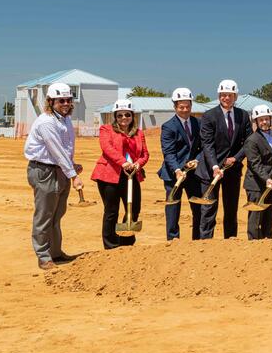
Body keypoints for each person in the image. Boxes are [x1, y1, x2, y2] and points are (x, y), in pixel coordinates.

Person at [23, 82, 83, 269]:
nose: (65, 103)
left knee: (57, 215)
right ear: (51, 101)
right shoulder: (46, 121)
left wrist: (71, 166)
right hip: (44, 172)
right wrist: (73, 175)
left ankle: (55, 253)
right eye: (61, 100)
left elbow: (65, 149)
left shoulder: (64, 119)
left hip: (59, 170)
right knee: (44, 215)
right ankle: (43, 256)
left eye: (68, 100)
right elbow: (56, 150)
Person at [91, 99, 150, 249]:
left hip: (132, 174)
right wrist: (123, 162)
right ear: (115, 116)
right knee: (111, 211)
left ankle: (126, 242)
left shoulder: (139, 133)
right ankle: (111, 245)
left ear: (132, 116)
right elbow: (107, 148)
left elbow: (145, 154)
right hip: (109, 175)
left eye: (127, 115)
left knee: (134, 209)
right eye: (120, 115)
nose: (124, 118)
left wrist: (138, 164)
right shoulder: (106, 129)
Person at [197, 79, 250, 239]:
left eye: (229, 95)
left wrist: (237, 158)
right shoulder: (209, 116)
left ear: (235, 96)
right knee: (208, 209)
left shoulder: (243, 115)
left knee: (231, 209)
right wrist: (214, 166)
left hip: (232, 170)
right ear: (219, 96)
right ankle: (206, 243)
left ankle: (230, 241)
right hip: (210, 170)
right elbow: (207, 144)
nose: (226, 98)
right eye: (223, 95)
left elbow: (248, 142)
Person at [158, 87, 203, 240]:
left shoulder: (199, 123)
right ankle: (173, 240)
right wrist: (177, 170)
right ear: (175, 107)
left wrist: (197, 159)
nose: (184, 110)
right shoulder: (168, 126)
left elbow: (204, 147)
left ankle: (197, 239)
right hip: (173, 174)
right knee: (173, 207)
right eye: (181, 107)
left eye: (187, 106)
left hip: (194, 173)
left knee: (198, 207)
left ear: (191, 105)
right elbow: (169, 152)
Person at [243, 105, 272, 240]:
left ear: (270, 119)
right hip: (256, 185)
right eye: (261, 120)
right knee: (256, 217)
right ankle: (254, 243)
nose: (264, 122)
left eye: (266, 119)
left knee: (269, 215)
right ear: (256, 122)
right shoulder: (252, 140)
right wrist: (266, 179)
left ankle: (269, 243)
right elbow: (254, 163)